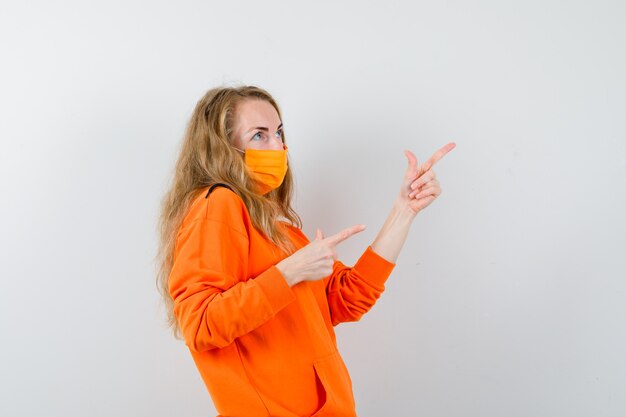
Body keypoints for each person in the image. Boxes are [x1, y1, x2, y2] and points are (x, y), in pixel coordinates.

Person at [156, 85, 455, 417]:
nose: (278, 146)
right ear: (222, 147)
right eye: (259, 135)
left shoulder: (279, 230)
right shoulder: (218, 204)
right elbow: (199, 325)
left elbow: (347, 298)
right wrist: (289, 272)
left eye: (279, 133)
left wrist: (404, 211)